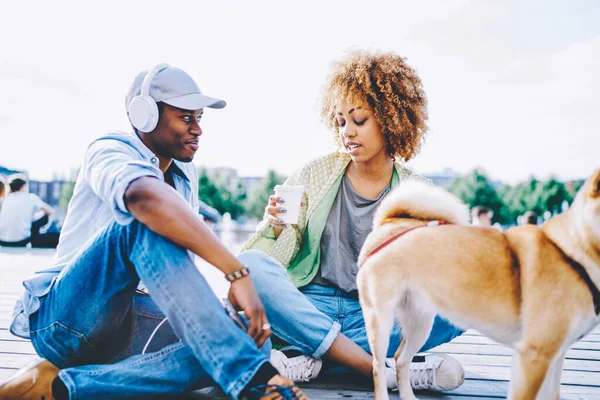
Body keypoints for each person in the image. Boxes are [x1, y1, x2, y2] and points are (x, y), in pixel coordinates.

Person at [0, 64, 309, 400]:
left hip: (133, 325)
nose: (198, 130)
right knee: (139, 225)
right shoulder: (110, 149)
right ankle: (259, 382)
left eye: (199, 118)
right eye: (186, 118)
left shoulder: (184, 174)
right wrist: (235, 271)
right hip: (68, 320)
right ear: (145, 115)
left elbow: (174, 270)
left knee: (244, 341)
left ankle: (61, 387)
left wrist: (217, 317)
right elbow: (144, 199)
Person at [242, 51, 465, 391]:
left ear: (391, 119)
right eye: (341, 121)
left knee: (461, 298)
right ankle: (379, 368)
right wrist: (273, 228)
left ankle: (312, 355)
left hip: (373, 314)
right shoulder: (313, 174)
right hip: (311, 304)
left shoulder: (418, 194)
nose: (347, 132)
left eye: (359, 120)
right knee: (248, 267)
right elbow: (264, 265)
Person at [0, 175, 54, 247]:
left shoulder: (5, 198)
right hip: (21, 241)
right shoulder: (31, 197)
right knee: (45, 217)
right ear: (23, 186)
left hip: (2, 240)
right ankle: (35, 244)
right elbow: (50, 212)